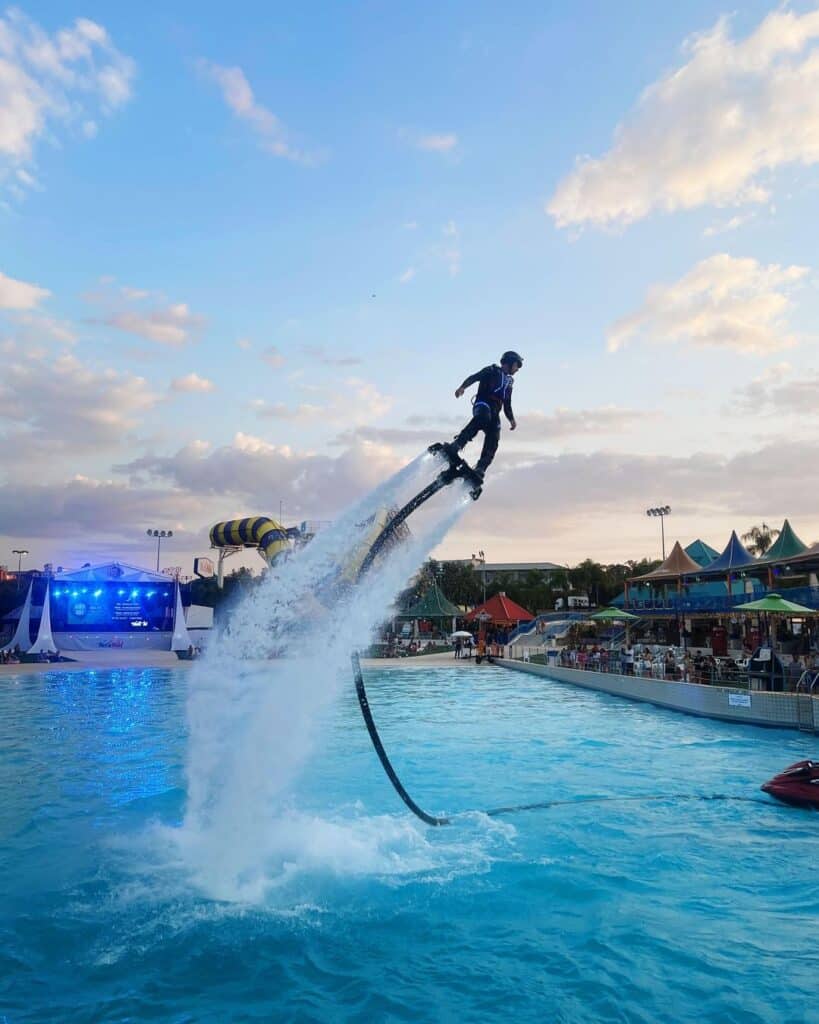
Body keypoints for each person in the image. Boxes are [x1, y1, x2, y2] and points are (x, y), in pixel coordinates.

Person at [440, 351, 522, 478]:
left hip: (495, 412)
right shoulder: (491, 370)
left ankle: (480, 468)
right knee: (483, 418)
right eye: (517, 365)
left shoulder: (509, 382)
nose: (517, 369)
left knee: (494, 437)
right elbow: (474, 377)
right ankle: (457, 445)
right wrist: (462, 387)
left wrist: (511, 419)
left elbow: (507, 403)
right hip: (482, 404)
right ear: (509, 362)